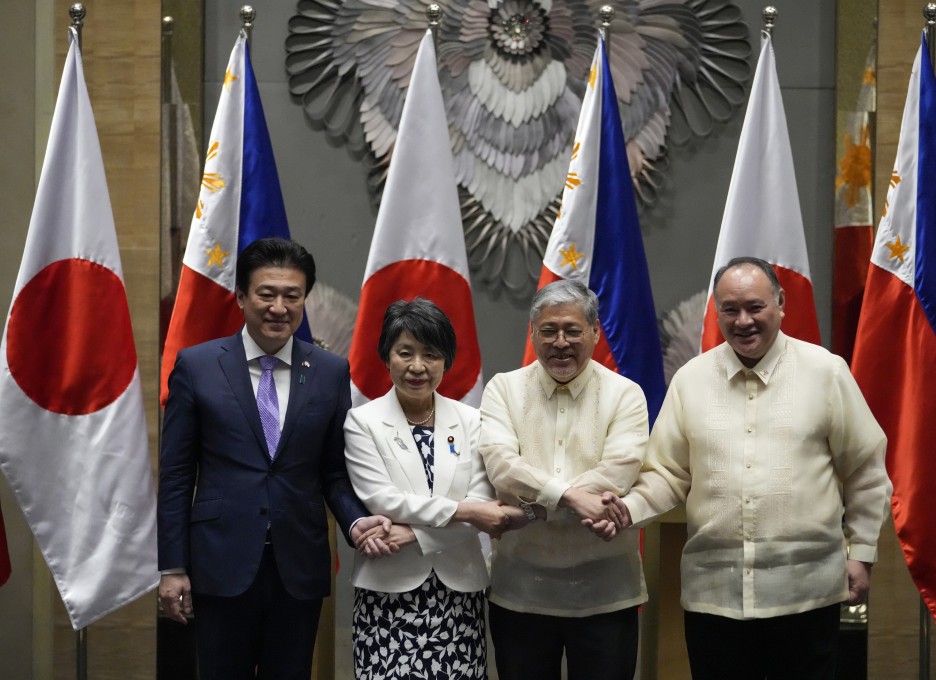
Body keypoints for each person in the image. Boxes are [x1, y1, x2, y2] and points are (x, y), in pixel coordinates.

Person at [609, 256, 892, 680]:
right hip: (714, 599)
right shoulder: (691, 380)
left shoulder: (826, 373)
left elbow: (865, 471)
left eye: (755, 307)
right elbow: (667, 474)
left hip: (807, 595)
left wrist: (864, 552)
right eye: (730, 309)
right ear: (716, 311)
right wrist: (626, 510)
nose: (743, 321)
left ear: (780, 303)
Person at [157, 237, 390, 679]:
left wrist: (357, 522)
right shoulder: (198, 366)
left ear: (304, 300)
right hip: (220, 562)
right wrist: (172, 567)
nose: (279, 307)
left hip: (296, 567)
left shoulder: (329, 371)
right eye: (266, 294)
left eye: (292, 295)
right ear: (242, 297)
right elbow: (175, 475)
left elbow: (334, 472)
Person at [479, 279, 649, 680]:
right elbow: (502, 466)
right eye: (549, 331)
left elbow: (619, 472)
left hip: (606, 594)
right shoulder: (503, 389)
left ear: (594, 333)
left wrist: (534, 507)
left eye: (573, 330)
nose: (561, 342)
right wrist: (571, 498)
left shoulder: (626, 394)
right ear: (532, 333)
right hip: (520, 593)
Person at [343, 298, 520, 679]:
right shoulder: (362, 422)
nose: (418, 367)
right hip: (387, 595)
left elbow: (482, 502)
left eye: (431, 354)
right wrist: (465, 511)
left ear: (447, 360)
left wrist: (413, 534)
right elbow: (383, 501)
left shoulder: (472, 420)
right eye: (405, 353)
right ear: (387, 356)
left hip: (458, 595)